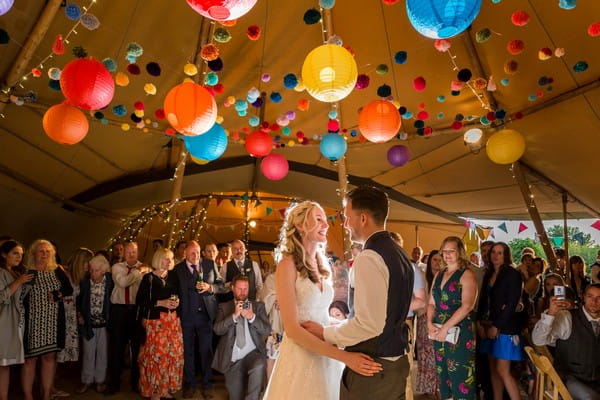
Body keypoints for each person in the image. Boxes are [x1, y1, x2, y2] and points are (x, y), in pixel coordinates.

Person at [302, 186, 414, 399]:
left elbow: (369, 324)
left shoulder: (369, 257)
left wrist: (325, 333)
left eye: (347, 217)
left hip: (373, 369)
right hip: (394, 363)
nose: (345, 224)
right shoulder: (398, 253)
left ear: (363, 218)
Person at [264, 199, 383, 400]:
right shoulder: (287, 265)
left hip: (326, 355)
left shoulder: (322, 265)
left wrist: (350, 327)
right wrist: (346, 358)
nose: (326, 225)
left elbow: (321, 315)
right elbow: (292, 329)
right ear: (300, 226)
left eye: (325, 219)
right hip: (300, 358)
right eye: (319, 219)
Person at [169, 240, 223, 399]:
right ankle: (190, 384)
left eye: (198, 252)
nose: (196, 256)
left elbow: (221, 284)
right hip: (186, 317)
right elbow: (173, 291)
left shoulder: (209, 264)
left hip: (205, 315)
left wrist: (210, 287)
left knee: (206, 351)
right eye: (193, 253)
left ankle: (208, 384)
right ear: (185, 253)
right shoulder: (177, 269)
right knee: (188, 351)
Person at [21, 239, 73, 400]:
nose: (44, 254)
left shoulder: (57, 270)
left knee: (49, 357)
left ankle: (46, 395)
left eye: (47, 251)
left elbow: (68, 289)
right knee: (30, 360)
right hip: (32, 323)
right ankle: (28, 396)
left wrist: (58, 294)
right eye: (41, 251)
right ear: (33, 253)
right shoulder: (27, 271)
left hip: (52, 322)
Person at [428, 237, 478, 400]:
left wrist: (445, 328)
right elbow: (431, 303)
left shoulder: (466, 274)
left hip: (459, 332)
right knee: (444, 378)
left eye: (452, 251)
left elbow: (467, 306)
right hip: (438, 332)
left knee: (461, 377)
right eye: (445, 251)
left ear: (460, 253)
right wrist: (429, 323)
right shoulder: (439, 274)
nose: (447, 254)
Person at [532, 283, 600, 399]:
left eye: (599, 298)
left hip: (597, 379)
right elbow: (538, 340)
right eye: (590, 296)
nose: (594, 301)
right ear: (583, 297)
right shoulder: (566, 317)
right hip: (570, 378)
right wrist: (551, 314)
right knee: (590, 398)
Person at [477, 242, 524, 400]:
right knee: (493, 369)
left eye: (500, 253)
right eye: (493, 252)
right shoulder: (488, 273)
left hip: (505, 327)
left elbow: (511, 304)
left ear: (506, 256)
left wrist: (497, 326)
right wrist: (479, 323)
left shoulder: (512, 274)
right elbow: (483, 301)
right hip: (487, 324)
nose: (495, 255)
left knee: (503, 370)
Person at [213, 275, 271, 400]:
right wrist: (233, 316)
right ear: (232, 288)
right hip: (232, 360)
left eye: (246, 289)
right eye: (239, 289)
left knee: (259, 365)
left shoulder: (258, 306)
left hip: (253, 354)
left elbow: (267, 330)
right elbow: (217, 330)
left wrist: (252, 317)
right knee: (236, 397)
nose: (243, 292)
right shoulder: (223, 307)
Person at [136, 248, 183, 400]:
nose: (169, 262)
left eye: (170, 259)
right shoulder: (148, 278)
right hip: (155, 321)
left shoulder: (174, 276)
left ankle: (165, 390)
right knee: (156, 357)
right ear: (158, 259)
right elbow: (140, 301)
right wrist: (160, 302)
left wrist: (177, 302)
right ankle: (154, 391)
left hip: (172, 321)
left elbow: (179, 296)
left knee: (171, 356)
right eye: (166, 259)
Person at [106, 241, 149, 395]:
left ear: (138, 252)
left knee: (138, 348)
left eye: (134, 251)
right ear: (123, 253)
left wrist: (142, 270)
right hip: (119, 311)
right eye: (128, 251)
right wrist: (138, 272)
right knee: (116, 347)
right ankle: (114, 382)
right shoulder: (117, 267)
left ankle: (136, 382)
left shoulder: (147, 268)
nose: (131, 254)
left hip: (137, 311)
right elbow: (123, 282)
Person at [76, 255, 114, 394]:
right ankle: (86, 380)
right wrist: (79, 314)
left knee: (102, 353)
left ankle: (100, 381)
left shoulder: (110, 281)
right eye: (91, 270)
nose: (92, 273)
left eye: (96, 270)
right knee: (88, 353)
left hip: (104, 324)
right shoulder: (85, 282)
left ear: (103, 271)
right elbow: (78, 300)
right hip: (88, 324)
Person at [0, 240, 33, 400]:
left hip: (17, 322)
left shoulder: (17, 272)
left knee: (6, 365)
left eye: (21, 254)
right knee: (3, 363)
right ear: (3, 254)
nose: (19, 257)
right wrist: (19, 282)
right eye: (15, 253)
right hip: (4, 322)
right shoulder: (0, 272)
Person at [58, 247, 93, 364]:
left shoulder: (80, 278)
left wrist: (78, 314)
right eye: (88, 262)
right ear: (81, 261)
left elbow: (76, 300)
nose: (90, 265)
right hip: (61, 314)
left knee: (67, 352)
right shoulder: (64, 274)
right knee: (57, 349)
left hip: (71, 315)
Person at [415, 250, 441, 399]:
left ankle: (437, 387)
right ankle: (429, 388)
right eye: (435, 260)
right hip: (425, 319)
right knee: (426, 354)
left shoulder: (444, 277)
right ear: (430, 261)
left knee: (436, 354)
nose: (437, 263)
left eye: (440, 260)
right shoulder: (423, 278)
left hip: (439, 321)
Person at [258, 262, 283, 380]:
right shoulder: (272, 278)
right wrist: (276, 299)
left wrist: (286, 300)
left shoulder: (299, 278)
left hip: (293, 323)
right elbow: (264, 299)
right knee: (272, 358)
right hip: (276, 324)